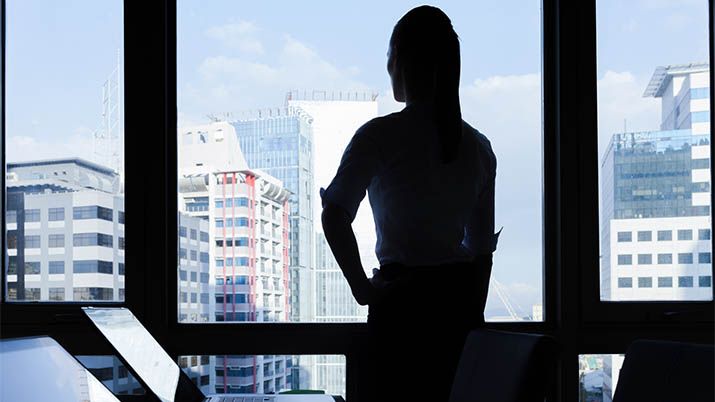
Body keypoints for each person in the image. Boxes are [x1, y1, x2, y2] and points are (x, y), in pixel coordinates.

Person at [320, 5, 498, 402]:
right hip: (456, 313)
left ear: (399, 59)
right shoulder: (479, 149)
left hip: (400, 309)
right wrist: (473, 322)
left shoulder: (379, 136)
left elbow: (334, 215)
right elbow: (481, 251)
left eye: (388, 56)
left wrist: (362, 290)